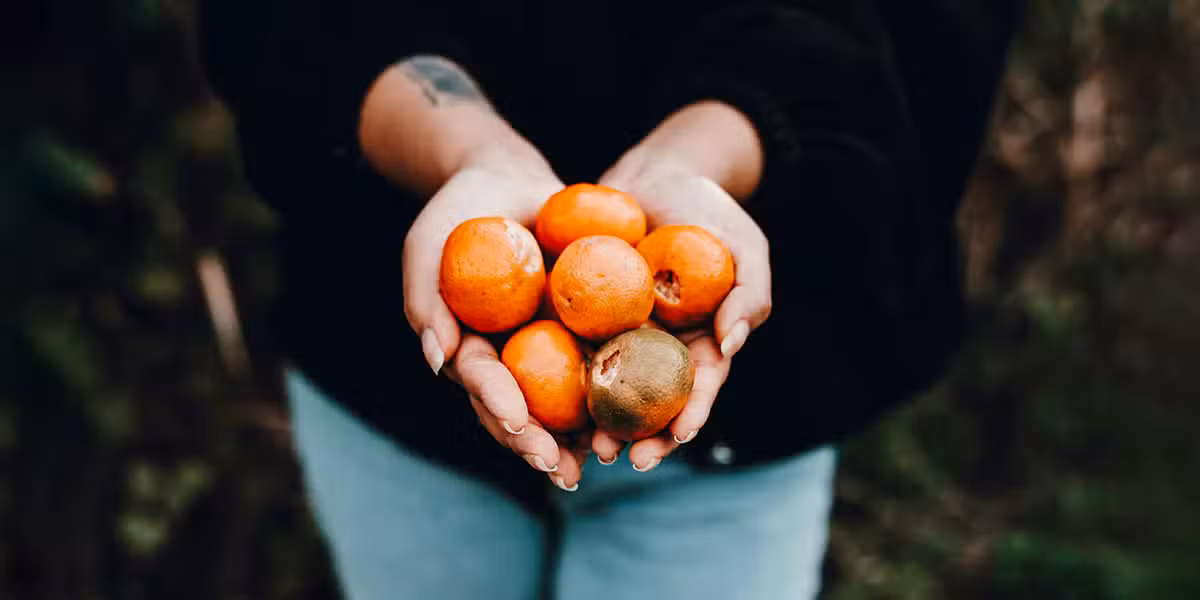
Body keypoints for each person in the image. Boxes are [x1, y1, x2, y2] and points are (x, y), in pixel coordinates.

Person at [198, 1, 1023, 598]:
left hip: (754, 405)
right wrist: (461, 147)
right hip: (389, 362)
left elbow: (925, 35)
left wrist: (715, 145)